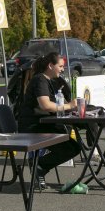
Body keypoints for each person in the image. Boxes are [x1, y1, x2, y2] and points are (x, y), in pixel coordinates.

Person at [17, 52, 82, 189]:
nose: (63, 69)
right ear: (50, 66)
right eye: (61, 66)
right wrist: (68, 106)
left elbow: (54, 106)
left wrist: (70, 109)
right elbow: (45, 105)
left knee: (73, 147)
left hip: (44, 124)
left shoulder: (48, 81)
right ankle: (38, 165)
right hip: (33, 126)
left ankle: (39, 166)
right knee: (71, 147)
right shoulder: (40, 80)